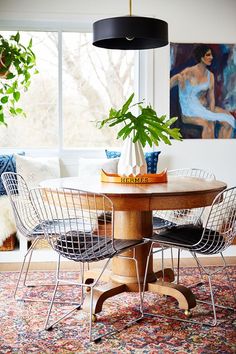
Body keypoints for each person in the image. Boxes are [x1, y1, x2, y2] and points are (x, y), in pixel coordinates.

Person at [170, 44, 235, 139]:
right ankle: (210, 150)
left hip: (203, 108)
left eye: (211, 55)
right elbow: (168, 84)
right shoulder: (189, 72)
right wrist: (177, 77)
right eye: (208, 55)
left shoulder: (210, 76)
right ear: (201, 57)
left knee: (229, 120)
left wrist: (212, 113)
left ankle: (221, 147)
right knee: (208, 125)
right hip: (189, 111)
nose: (211, 57)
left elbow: (211, 99)